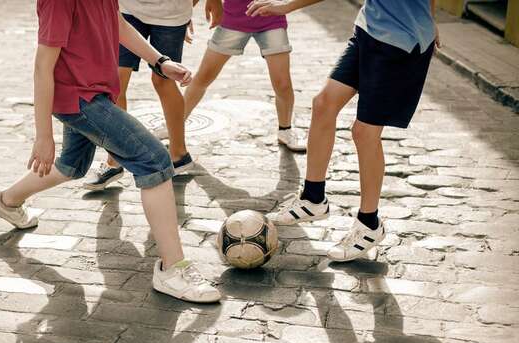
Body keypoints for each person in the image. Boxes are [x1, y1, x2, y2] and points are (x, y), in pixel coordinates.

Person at [0, 0, 221, 303]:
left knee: (72, 164)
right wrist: (43, 135)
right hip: (80, 99)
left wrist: (160, 61)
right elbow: (43, 66)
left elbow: (118, 24)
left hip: (94, 92)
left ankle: (6, 201)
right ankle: (172, 268)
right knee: (154, 160)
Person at [257, 0, 440, 261]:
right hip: (369, 30)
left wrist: (286, 6)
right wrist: (430, 19)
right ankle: (313, 198)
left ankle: (369, 224)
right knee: (323, 105)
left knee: (365, 132)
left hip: (400, 44)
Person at [82, 0, 224, 191]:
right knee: (114, 81)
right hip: (127, 9)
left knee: (163, 81)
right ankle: (114, 161)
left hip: (171, 15)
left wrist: (197, 6)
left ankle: (179, 155)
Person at [183, 0, 306, 152]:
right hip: (232, 20)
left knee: (283, 84)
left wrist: (286, 4)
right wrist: (185, 16)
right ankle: (174, 126)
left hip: (272, 20)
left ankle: (285, 130)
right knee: (204, 77)